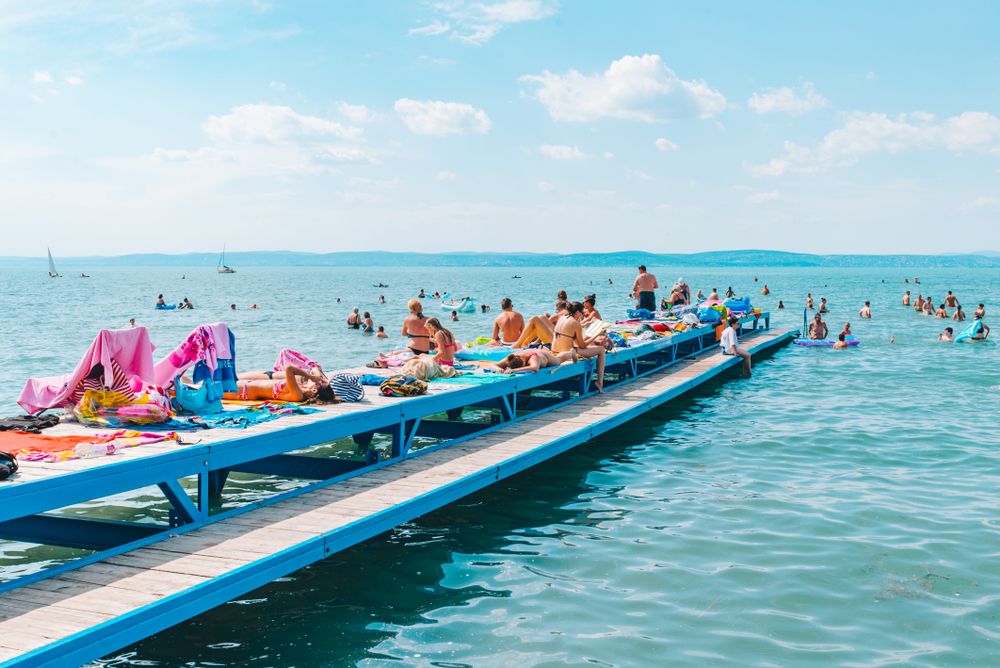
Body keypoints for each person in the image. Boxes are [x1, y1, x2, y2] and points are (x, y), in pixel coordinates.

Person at [552, 302, 606, 391]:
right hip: (567, 353)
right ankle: (600, 382)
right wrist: (596, 335)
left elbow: (572, 340)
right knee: (601, 350)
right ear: (577, 312)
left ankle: (599, 382)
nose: (582, 315)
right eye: (582, 313)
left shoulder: (562, 318)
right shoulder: (575, 323)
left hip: (555, 351)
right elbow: (583, 346)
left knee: (589, 345)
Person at [225, 365, 336, 403]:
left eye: (317, 384)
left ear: (314, 390)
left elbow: (289, 369)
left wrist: (311, 377)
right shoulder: (299, 389)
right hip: (246, 386)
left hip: (243, 391)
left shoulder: (297, 395)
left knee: (212, 388)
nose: (315, 382)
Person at [487, 348, 576, 374]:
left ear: (523, 362)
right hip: (534, 351)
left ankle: (571, 353)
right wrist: (499, 369)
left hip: (544, 356)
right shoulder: (511, 358)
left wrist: (513, 370)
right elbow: (493, 365)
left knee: (559, 360)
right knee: (558, 358)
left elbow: (535, 368)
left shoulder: (533, 357)